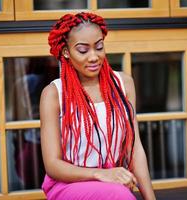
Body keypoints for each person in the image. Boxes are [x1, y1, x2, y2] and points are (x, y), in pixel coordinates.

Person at [40, 12, 156, 200]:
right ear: (66, 52)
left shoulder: (123, 84)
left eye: (99, 47)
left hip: (112, 181)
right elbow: (53, 165)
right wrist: (99, 174)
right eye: (83, 50)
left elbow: (134, 150)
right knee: (119, 194)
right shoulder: (53, 94)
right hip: (68, 185)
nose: (94, 57)